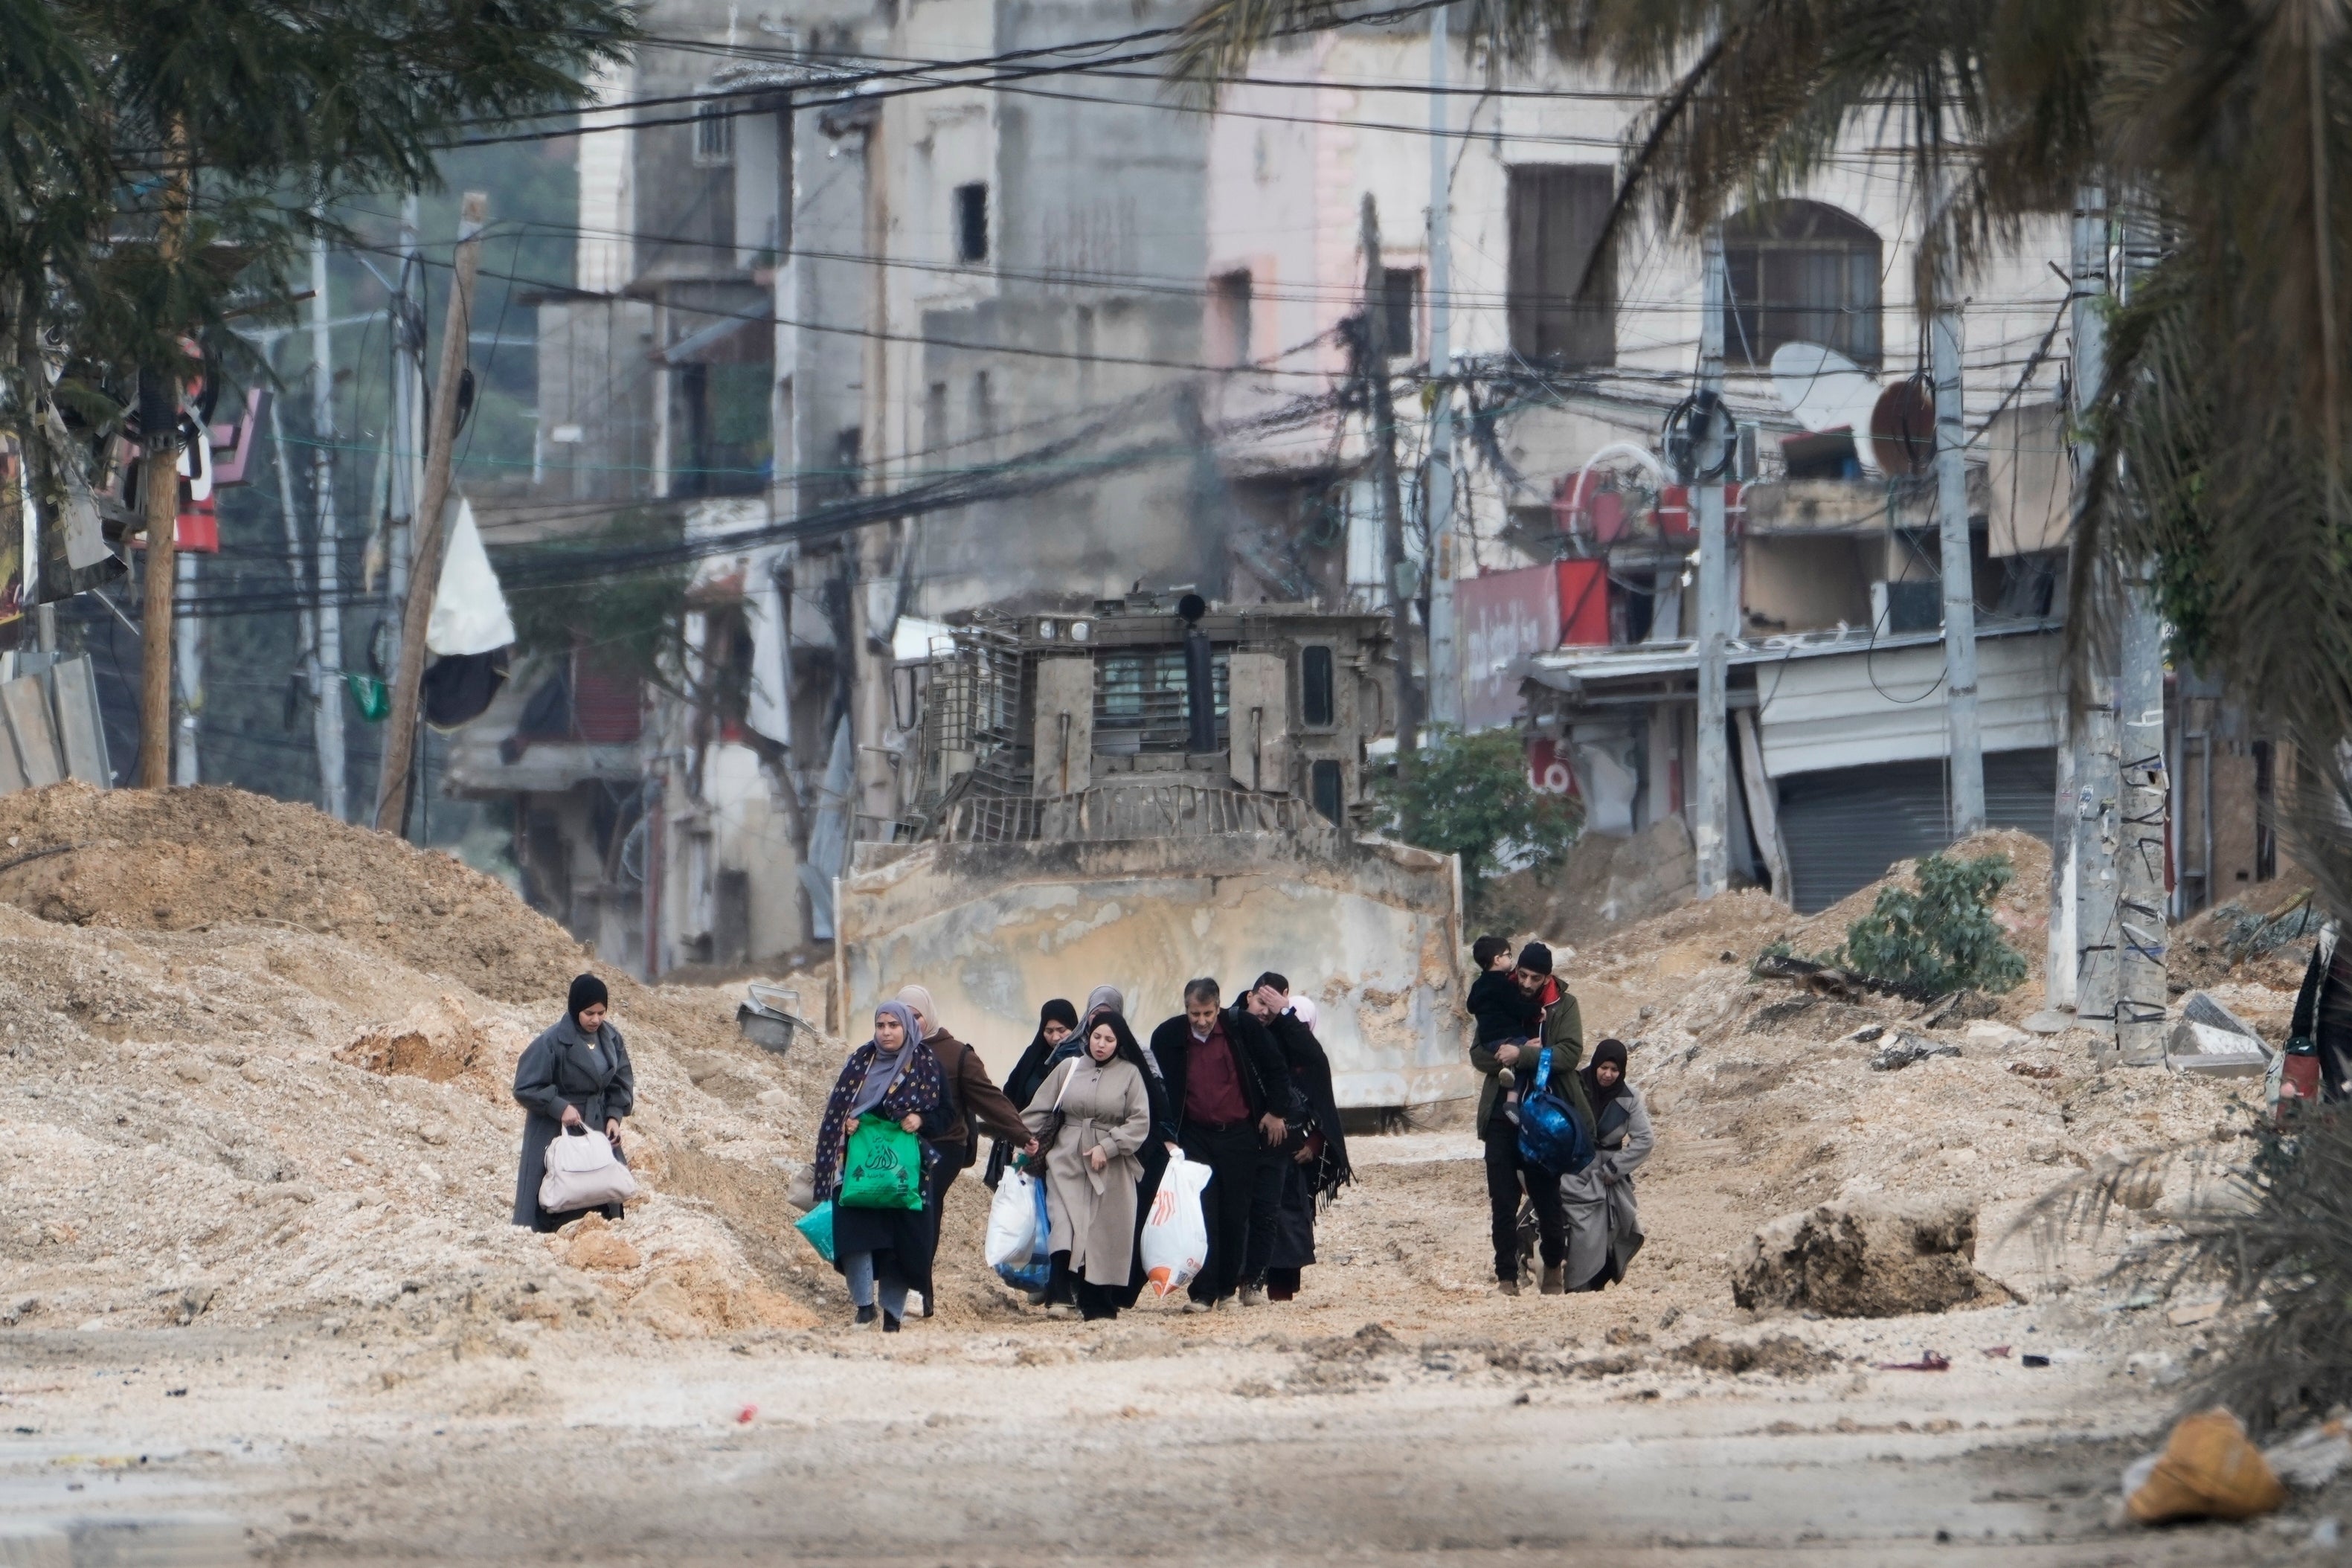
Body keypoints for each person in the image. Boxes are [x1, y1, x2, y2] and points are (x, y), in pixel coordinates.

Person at [1150, 977, 1293, 1313]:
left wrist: (1276, 1112)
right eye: (1194, 1013)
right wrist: (1166, 1132)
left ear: (1219, 1006)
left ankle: (1228, 1289)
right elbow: (1156, 1086)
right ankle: (1202, 1293)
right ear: (1185, 1009)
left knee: (1235, 1212)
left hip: (1239, 1134)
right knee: (1202, 1215)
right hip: (1195, 1136)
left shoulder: (1242, 1028)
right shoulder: (1169, 1036)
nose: (1201, 1021)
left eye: (1208, 1013)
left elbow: (1276, 1068)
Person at [810, 1000, 951, 1331]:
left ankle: (892, 1316)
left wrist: (920, 1119)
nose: (886, 1033)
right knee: (855, 1236)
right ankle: (863, 1308)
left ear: (907, 1028)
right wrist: (848, 1123)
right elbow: (839, 1106)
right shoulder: (861, 1060)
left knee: (900, 1244)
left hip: (906, 1173)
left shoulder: (926, 1063)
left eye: (893, 1026)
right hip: (860, 1167)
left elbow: (947, 1114)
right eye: (881, 1026)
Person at [896, 984, 1035, 1316]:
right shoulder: (890, 1052)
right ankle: (903, 1288)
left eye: (915, 1016)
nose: (910, 1024)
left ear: (927, 1016)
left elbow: (990, 1099)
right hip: (901, 1147)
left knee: (922, 1206)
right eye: (903, 1017)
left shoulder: (956, 1054)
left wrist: (1021, 1135)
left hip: (945, 1147)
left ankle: (918, 1293)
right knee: (903, 1212)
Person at [1469, 942, 1590, 1295]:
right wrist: (1509, 1055)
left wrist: (1522, 1056)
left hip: (1545, 1120)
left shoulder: (1564, 1005)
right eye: (1521, 974)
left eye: (1534, 978)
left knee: (1548, 1203)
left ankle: (1552, 1268)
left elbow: (1570, 1052)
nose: (1525, 983)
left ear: (1547, 978)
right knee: (1502, 1202)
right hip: (1501, 1117)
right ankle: (1506, 1278)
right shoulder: (1500, 992)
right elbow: (1480, 1053)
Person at [1023, 1011, 1155, 1320]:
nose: (1101, 1044)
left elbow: (1140, 1121)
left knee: (1103, 1232)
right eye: (1097, 1037)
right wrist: (1019, 1144)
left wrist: (1108, 1146)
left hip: (1111, 1167)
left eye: (1109, 1039)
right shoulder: (1068, 1068)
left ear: (1119, 1042)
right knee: (1063, 1220)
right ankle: (1058, 1293)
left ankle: (1096, 1300)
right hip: (1066, 1157)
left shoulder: (1131, 1074)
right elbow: (1038, 1110)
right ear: (1087, 1036)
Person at [1242, 976, 1352, 1302]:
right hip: (1251, 1145)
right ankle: (1241, 1288)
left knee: (1287, 1224)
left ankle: (1279, 1295)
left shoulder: (1304, 1051)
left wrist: (1316, 1142)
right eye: (1260, 1003)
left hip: (1292, 1155)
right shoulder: (1243, 1031)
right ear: (1250, 998)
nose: (1265, 1012)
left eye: (1273, 1006)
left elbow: (1321, 1103)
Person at [512, 974, 635, 1233]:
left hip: (597, 1120)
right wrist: (559, 1106)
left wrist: (614, 1116)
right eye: (589, 1013)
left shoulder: (611, 1038)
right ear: (575, 1008)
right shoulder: (552, 1041)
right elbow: (525, 1086)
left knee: (599, 1183)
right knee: (560, 1184)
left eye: (602, 1012)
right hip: (554, 1126)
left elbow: (620, 1081)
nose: (596, 1020)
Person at [1560, 1038, 1654, 1292]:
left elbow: (1644, 1139)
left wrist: (1614, 1168)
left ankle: (1598, 1279)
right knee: (1578, 1227)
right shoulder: (1574, 1085)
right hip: (1574, 1171)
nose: (1609, 1075)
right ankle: (1575, 1282)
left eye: (1615, 1070)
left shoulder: (1630, 1097)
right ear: (1595, 1064)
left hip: (1609, 1175)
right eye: (1604, 1068)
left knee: (1614, 1227)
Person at [988, 999, 1080, 1188]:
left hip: (1060, 1147)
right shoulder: (1033, 1055)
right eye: (1049, 1031)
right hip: (1026, 1140)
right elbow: (1011, 1092)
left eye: (1061, 1030)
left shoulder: (1080, 1061)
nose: (1055, 1037)